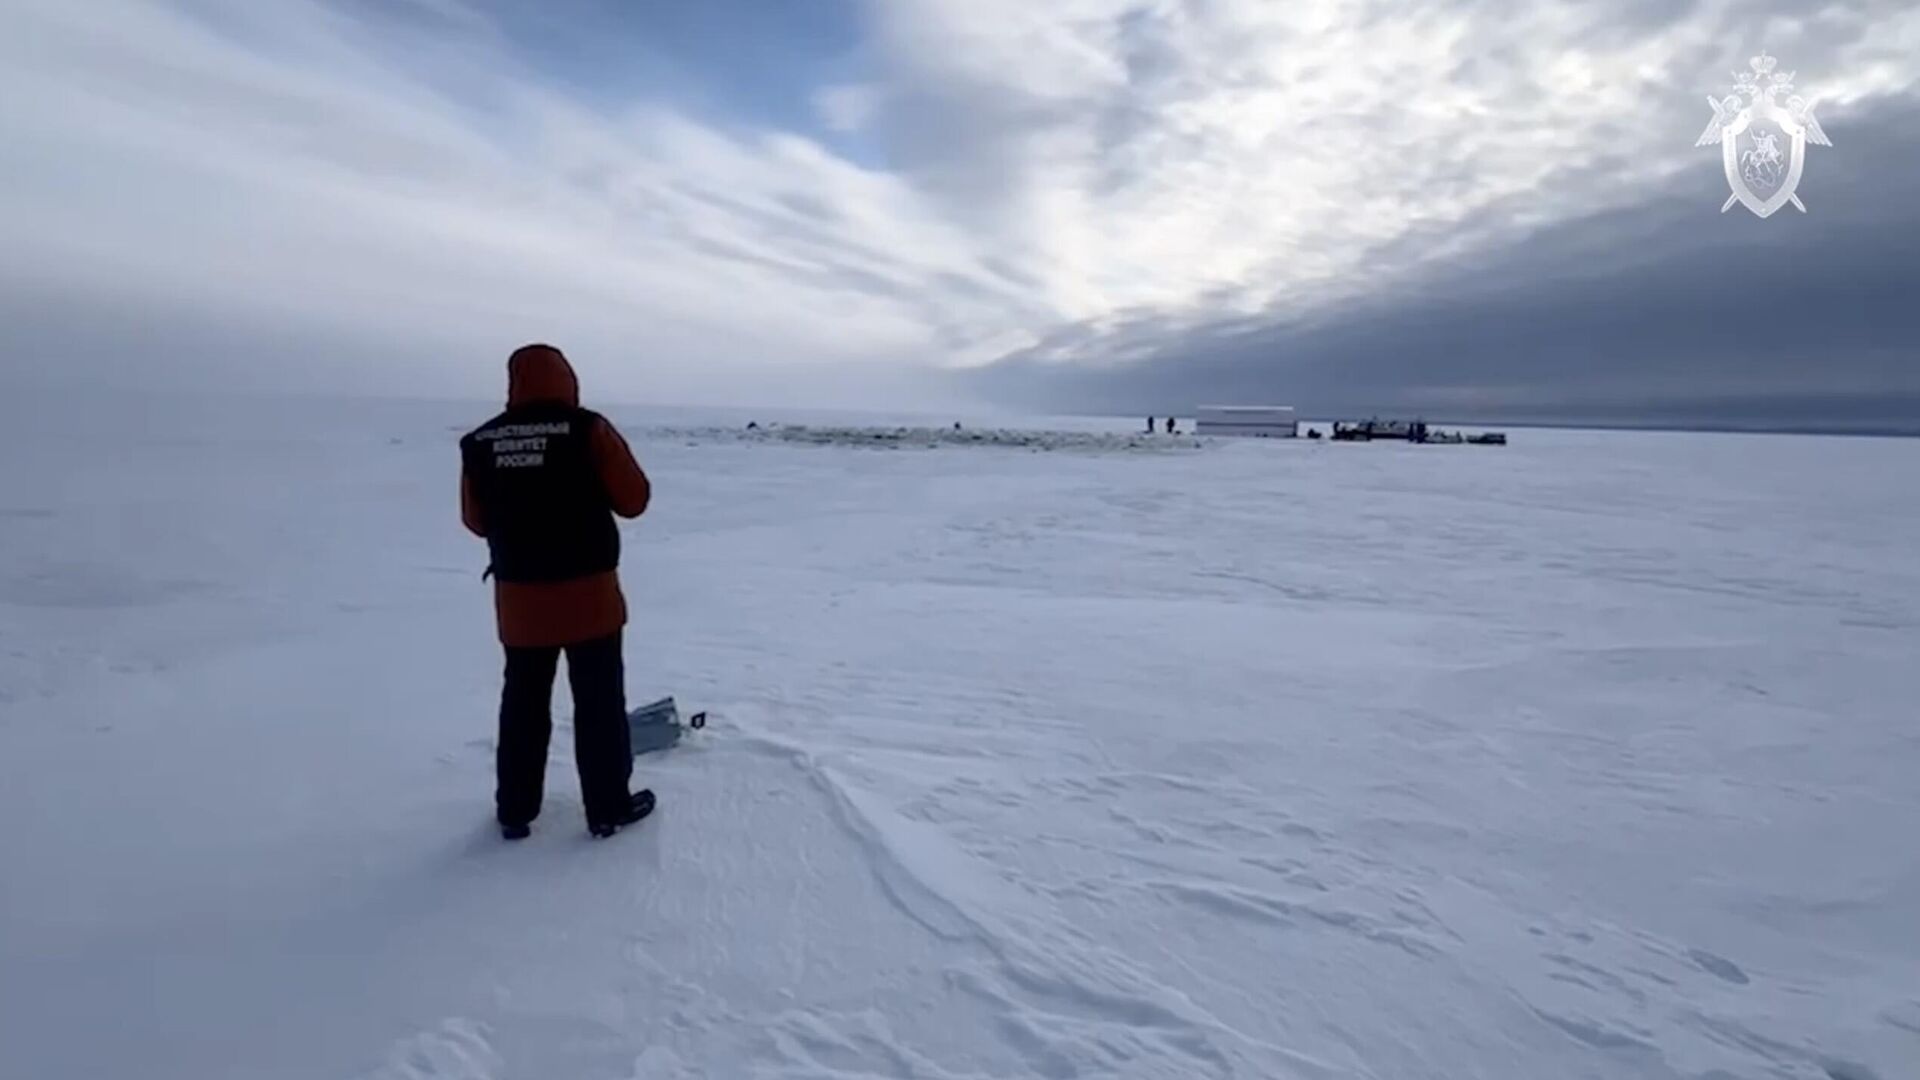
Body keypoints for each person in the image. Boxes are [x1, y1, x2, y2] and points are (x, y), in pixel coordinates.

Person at [459, 343, 656, 840]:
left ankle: (515, 811)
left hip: (521, 604)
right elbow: (634, 500)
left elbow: (474, 520)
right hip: (590, 598)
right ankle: (608, 806)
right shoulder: (587, 429)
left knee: (523, 703)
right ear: (568, 379)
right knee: (599, 703)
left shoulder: (480, 442)